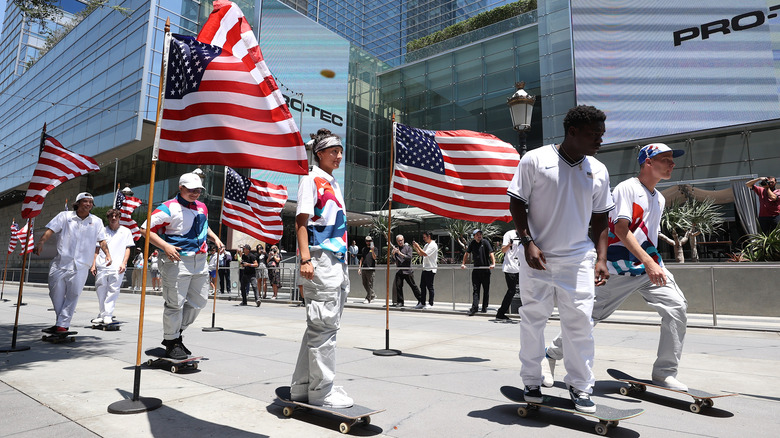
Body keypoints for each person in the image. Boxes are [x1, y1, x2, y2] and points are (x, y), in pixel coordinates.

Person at [543, 143, 689, 392]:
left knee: (677, 308)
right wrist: (648, 261)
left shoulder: (660, 198)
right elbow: (621, 230)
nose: (672, 164)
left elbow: (647, 236)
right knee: (587, 319)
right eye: (666, 159)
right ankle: (550, 354)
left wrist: (652, 263)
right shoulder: (627, 189)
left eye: (672, 160)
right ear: (648, 163)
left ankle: (664, 373)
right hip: (618, 269)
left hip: (648, 268)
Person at [507, 105, 614, 413]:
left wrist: (601, 258)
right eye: (594, 134)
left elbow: (601, 220)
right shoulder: (535, 160)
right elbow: (517, 203)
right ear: (573, 132)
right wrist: (527, 242)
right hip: (537, 258)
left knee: (580, 324)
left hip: (578, 259)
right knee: (533, 320)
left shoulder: (598, 170)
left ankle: (581, 386)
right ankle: (531, 379)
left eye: (601, 135)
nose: (599, 140)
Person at [291, 128, 352, 408]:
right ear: (319, 154)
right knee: (324, 327)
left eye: (340, 151)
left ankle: (303, 388)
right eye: (333, 151)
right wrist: (305, 259)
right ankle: (322, 392)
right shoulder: (311, 179)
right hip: (320, 258)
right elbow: (301, 221)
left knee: (320, 327)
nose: (338, 155)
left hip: (336, 260)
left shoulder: (332, 183)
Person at [141, 172, 224, 359]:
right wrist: (165, 246)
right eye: (191, 190)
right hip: (177, 260)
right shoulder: (169, 207)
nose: (195, 193)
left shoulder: (202, 207)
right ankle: (172, 341)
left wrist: (215, 238)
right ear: (181, 188)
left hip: (200, 260)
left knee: (199, 301)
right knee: (175, 304)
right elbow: (145, 228)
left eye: (198, 190)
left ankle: (176, 334)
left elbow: (204, 226)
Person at [35, 192, 111, 334]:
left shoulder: (97, 221)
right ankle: (61, 322)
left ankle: (62, 325)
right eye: (85, 201)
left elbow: (102, 240)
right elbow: (50, 230)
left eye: (90, 202)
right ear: (78, 203)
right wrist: (41, 242)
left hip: (81, 265)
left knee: (73, 295)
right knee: (54, 292)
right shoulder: (65, 216)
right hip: (60, 263)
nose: (88, 204)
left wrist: (107, 254)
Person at [90, 209, 134, 325]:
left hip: (117, 266)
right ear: (108, 218)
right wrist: (93, 264)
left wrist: (124, 263)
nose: (113, 218)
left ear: (119, 217)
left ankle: (108, 315)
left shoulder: (126, 231)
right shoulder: (102, 231)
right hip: (102, 265)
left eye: (116, 216)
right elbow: (97, 249)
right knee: (101, 290)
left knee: (113, 290)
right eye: (111, 216)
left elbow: (127, 248)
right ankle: (102, 313)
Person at [461, 229, 495, 316]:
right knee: (476, 290)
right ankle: (475, 308)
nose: (479, 236)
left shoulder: (485, 242)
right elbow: (467, 253)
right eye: (477, 234)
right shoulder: (472, 243)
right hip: (476, 270)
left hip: (485, 270)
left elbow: (491, 253)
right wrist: (463, 264)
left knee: (486, 289)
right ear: (474, 236)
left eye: (480, 234)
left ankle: (484, 307)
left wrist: (493, 263)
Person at [495, 229, 522, 320]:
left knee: (527, 290)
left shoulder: (526, 233)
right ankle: (501, 312)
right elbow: (503, 250)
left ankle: (527, 313)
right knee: (511, 291)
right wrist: (509, 244)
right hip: (510, 267)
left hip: (522, 268)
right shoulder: (509, 234)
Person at [392, 234, 421, 308]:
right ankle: (400, 302)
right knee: (398, 286)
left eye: (401, 240)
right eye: (398, 241)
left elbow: (409, 257)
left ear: (403, 240)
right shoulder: (396, 249)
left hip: (408, 271)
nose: (400, 242)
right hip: (399, 271)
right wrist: (393, 254)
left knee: (413, 286)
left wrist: (400, 253)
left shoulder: (408, 248)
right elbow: (393, 260)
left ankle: (421, 300)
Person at [412, 231, 437, 309]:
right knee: (422, 286)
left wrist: (418, 246)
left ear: (429, 236)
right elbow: (421, 253)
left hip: (431, 268)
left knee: (430, 286)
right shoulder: (427, 245)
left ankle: (431, 303)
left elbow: (425, 254)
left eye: (424, 237)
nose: (423, 239)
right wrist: (416, 247)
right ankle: (422, 302)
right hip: (425, 268)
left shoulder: (433, 245)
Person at [358, 236, 377, 303]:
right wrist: (359, 268)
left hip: (371, 269)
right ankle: (373, 295)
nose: (368, 242)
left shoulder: (374, 249)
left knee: (370, 284)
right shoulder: (364, 249)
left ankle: (368, 298)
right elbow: (362, 259)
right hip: (364, 268)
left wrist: (372, 250)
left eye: (369, 241)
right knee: (364, 283)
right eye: (367, 241)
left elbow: (375, 258)